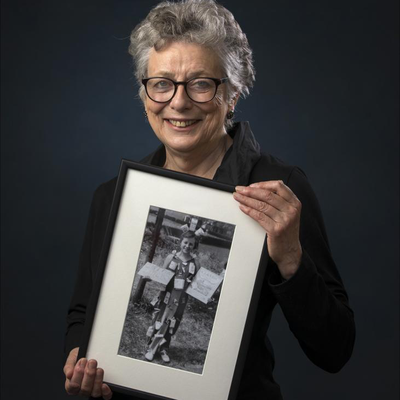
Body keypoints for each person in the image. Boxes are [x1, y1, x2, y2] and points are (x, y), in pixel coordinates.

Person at [63, 1, 356, 399]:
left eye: (200, 83)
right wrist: (81, 354)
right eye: (162, 82)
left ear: (232, 94)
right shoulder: (113, 197)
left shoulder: (278, 190)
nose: (178, 102)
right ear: (144, 93)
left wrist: (291, 261)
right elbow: (83, 313)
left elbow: (334, 350)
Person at [144, 231, 200, 363]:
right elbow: (161, 274)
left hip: (181, 299)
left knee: (173, 323)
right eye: (185, 242)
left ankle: (163, 348)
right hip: (166, 296)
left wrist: (206, 296)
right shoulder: (171, 257)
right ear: (180, 242)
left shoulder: (195, 263)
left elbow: (197, 284)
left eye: (191, 244)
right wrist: (150, 278)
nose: (187, 246)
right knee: (159, 319)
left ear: (194, 246)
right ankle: (151, 348)